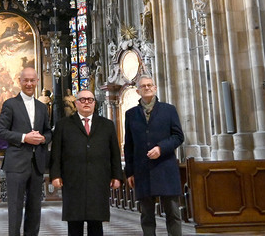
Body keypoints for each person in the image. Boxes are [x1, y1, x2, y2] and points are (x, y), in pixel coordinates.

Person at [50, 89, 123, 236]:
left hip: (98, 179)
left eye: (90, 100)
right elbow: (56, 153)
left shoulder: (107, 125)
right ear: (76, 103)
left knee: (96, 223)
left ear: (94, 103)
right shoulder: (63, 125)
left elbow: (114, 153)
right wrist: (55, 175)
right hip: (73, 179)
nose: (86, 103)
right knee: (74, 224)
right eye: (82, 100)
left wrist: (117, 176)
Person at [0, 67, 52, 236]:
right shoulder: (10, 104)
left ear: (37, 82)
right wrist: (24, 137)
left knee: (35, 209)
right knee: (15, 208)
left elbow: (48, 131)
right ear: (19, 81)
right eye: (25, 80)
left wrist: (43, 138)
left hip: (37, 164)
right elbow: (0, 131)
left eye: (32, 80)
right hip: (16, 164)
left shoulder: (42, 107)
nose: (29, 84)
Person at [125, 75, 185, 236]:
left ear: (155, 88)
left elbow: (178, 136)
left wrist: (161, 148)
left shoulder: (169, 110)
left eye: (150, 85)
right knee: (146, 216)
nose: (147, 88)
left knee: (173, 213)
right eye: (143, 86)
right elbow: (129, 145)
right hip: (143, 169)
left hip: (165, 167)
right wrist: (129, 172)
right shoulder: (131, 114)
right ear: (138, 91)